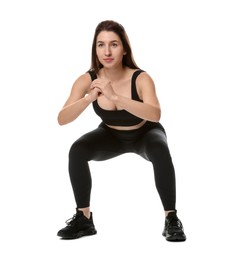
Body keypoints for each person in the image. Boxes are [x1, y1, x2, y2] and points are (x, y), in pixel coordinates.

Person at [56, 20, 186, 242]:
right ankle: (84, 219)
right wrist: (88, 98)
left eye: (114, 44)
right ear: (95, 49)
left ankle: (171, 218)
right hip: (111, 135)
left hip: (145, 132)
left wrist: (115, 97)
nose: (107, 51)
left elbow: (155, 114)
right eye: (101, 45)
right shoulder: (87, 79)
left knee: (160, 150)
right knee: (77, 150)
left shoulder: (141, 78)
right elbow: (62, 118)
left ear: (124, 48)